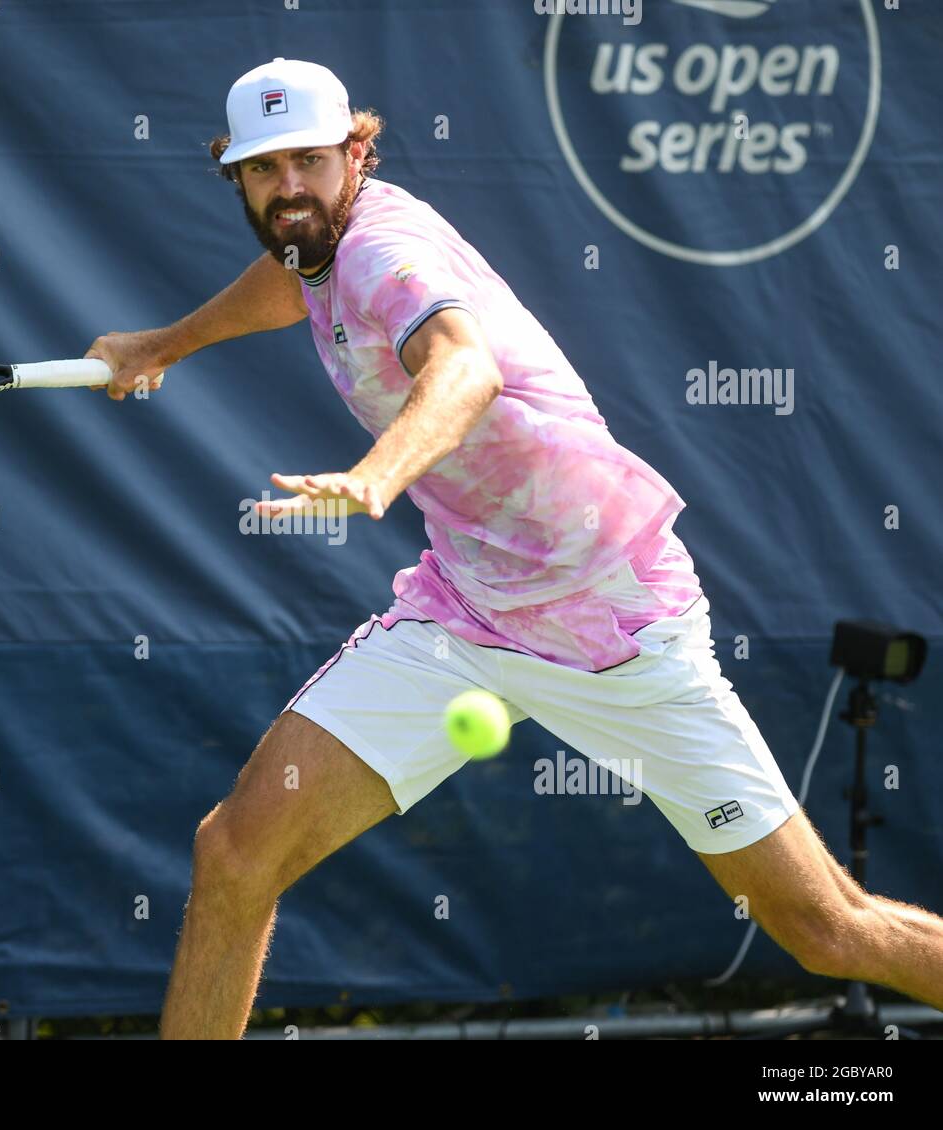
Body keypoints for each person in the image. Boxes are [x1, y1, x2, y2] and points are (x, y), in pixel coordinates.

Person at [85, 58, 943, 1039]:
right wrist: (164, 342)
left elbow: (464, 364)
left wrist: (380, 472)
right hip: (464, 614)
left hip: (613, 618)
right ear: (232, 175)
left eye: (311, 163)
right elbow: (289, 284)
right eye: (263, 169)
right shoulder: (317, 243)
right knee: (235, 851)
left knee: (823, 927)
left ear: (355, 154)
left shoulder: (384, 254)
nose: (289, 189)